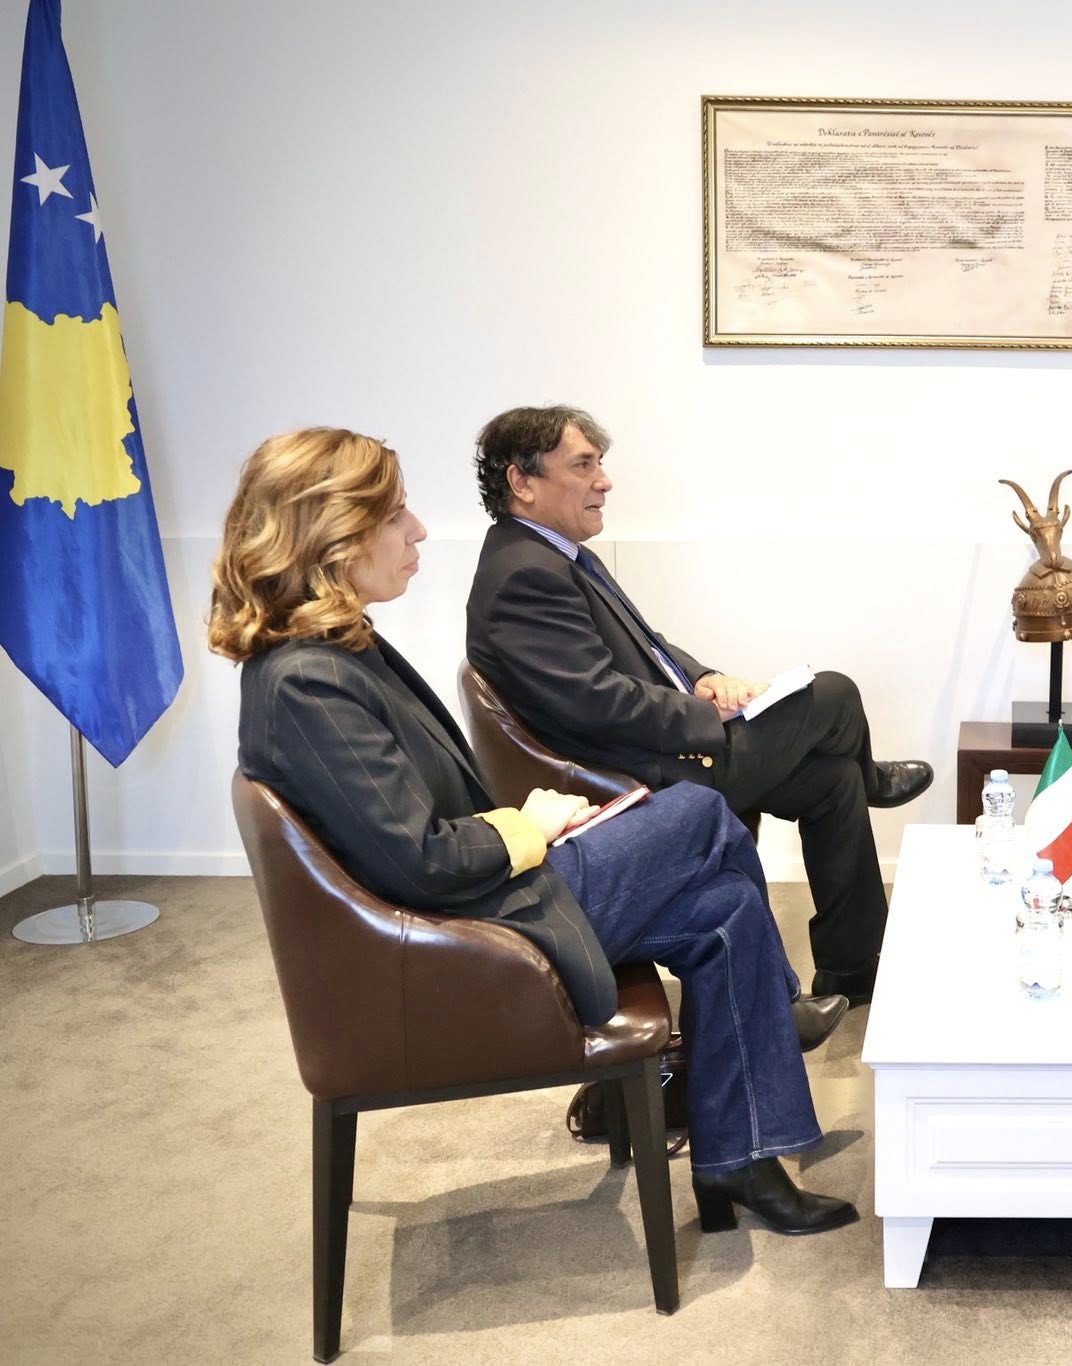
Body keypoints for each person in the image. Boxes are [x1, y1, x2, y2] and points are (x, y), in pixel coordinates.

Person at [211, 428, 857, 1235]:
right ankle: (776, 1023)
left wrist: (535, 824)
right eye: (395, 515)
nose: (417, 531)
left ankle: (740, 1159)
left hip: (484, 893)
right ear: (332, 534)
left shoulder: (331, 653)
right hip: (469, 926)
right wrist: (530, 825)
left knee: (725, 909)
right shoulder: (307, 682)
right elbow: (421, 860)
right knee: (699, 812)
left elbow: (407, 827)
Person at [464, 406, 932, 1006]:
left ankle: (852, 970)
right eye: (583, 466)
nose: (604, 481)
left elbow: (648, 646)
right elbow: (596, 702)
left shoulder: (553, 554)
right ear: (521, 481)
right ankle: (874, 780)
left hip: (660, 746)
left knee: (833, 781)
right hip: (640, 777)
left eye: (600, 464)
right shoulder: (524, 574)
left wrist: (706, 679)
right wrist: (707, 718)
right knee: (835, 694)